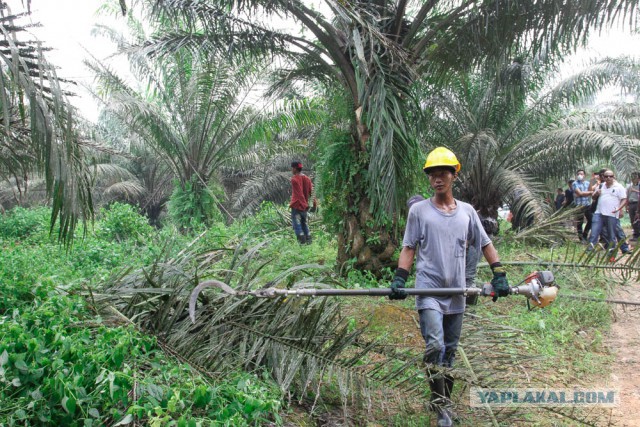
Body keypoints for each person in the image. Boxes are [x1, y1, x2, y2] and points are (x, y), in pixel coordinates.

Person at [389, 147, 509, 427]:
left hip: (457, 292)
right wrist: (399, 278)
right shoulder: (419, 211)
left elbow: (485, 243)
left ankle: (441, 401)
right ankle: (441, 406)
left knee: (451, 351)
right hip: (428, 289)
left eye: (442, 172)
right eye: (432, 174)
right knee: (435, 345)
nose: (437, 178)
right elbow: (408, 247)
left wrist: (499, 273)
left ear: (454, 174)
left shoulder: (467, 212)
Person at [588, 169, 628, 256]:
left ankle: (612, 253)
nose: (608, 178)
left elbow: (624, 199)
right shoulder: (601, 186)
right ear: (603, 177)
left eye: (610, 176)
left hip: (612, 214)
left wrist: (619, 209)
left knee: (612, 235)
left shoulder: (619, 187)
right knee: (594, 232)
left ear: (613, 177)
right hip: (599, 213)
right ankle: (589, 251)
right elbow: (593, 198)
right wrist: (596, 194)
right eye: (606, 176)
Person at [289, 160, 315, 244]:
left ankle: (302, 244)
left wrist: (304, 205)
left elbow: (299, 194)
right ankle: (309, 242)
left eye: (292, 168)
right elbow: (311, 192)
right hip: (304, 206)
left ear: (295, 169)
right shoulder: (307, 179)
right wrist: (314, 204)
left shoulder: (294, 179)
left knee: (297, 225)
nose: (292, 170)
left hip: (297, 206)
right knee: (304, 223)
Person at [572, 169, 593, 242]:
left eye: (581, 174)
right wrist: (586, 193)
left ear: (584, 175)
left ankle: (585, 235)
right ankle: (581, 238)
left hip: (587, 205)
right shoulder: (575, 183)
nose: (580, 175)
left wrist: (584, 193)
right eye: (578, 174)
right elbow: (579, 193)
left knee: (591, 220)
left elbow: (591, 192)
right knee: (579, 222)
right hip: (579, 206)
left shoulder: (587, 183)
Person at [626, 173, 640, 241]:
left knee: (638, 219)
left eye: (636, 177)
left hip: (638, 203)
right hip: (631, 203)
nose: (634, 178)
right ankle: (636, 235)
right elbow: (627, 196)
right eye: (633, 177)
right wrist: (627, 205)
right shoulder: (629, 186)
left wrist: (636, 191)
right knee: (632, 220)